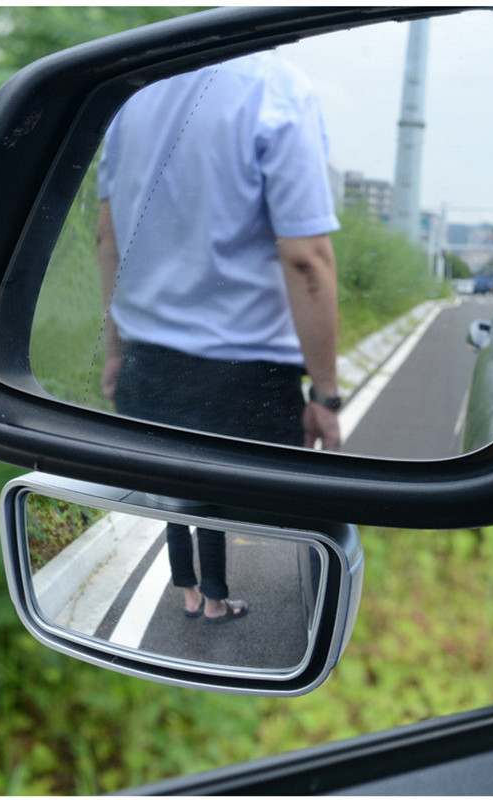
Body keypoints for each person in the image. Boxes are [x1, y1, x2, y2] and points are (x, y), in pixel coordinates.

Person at [96, 51, 341, 622]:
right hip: (240, 377)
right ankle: (214, 599)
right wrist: (325, 394)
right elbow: (306, 259)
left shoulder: (133, 94)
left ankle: (190, 592)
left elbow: (107, 238)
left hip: (147, 363)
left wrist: (115, 352)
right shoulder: (276, 87)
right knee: (215, 501)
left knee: (176, 498)